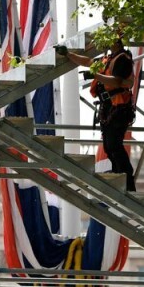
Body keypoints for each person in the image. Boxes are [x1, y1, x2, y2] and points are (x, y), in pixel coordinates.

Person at [56, 32, 136, 191]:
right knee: (108, 145)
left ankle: (127, 181)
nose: (104, 42)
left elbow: (117, 81)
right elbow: (87, 61)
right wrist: (69, 54)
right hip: (109, 107)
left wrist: (96, 76)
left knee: (114, 144)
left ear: (117, 41)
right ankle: (118, 173)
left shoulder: (122, 59)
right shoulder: (109, 59)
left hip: (119, 108)